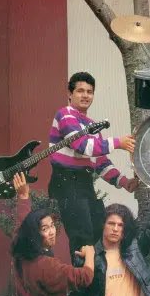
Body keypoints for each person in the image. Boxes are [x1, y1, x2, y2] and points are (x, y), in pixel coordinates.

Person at [48, 71, 139, 262]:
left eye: (89, 92)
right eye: (80, 91)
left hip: (84, 182)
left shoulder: (91, 124)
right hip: (66, 180)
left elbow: (100, 161)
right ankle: (82, 280)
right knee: (82, 237)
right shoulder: (65, 115)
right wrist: (118, 142)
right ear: (70, 94)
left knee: (98, 230)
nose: (85, 95)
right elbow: (82, 146)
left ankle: (95, 277)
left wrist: (124, 182)